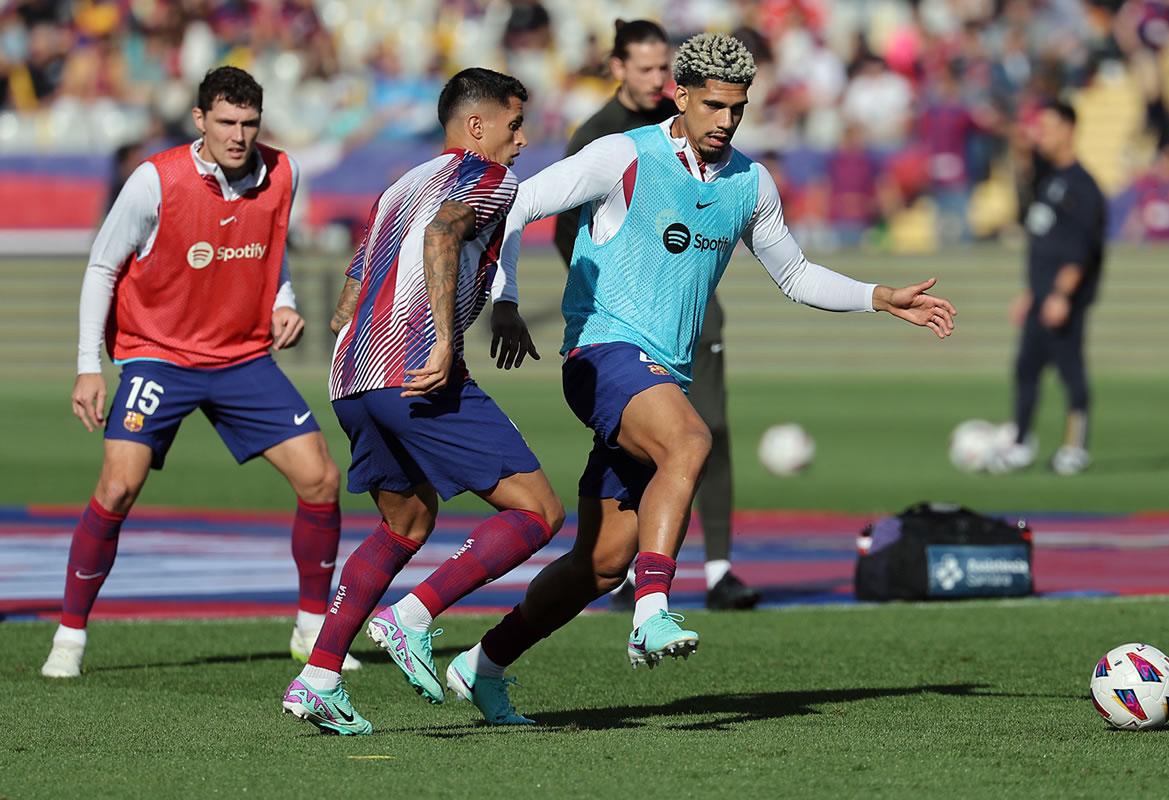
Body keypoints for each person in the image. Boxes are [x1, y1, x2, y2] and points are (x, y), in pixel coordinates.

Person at [444, 33, 957, 725]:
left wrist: (877, 296)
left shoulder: (750, 182)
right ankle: (652, 607)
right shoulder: (622, 156)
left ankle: (482, 664)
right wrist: (503, 301)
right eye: (712, 105)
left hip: (660, 375)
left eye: (737, 109)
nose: (725, 121)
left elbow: (797, 275)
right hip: (600, 355)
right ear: (679, 96)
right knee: (689, 441)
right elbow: (513, 202)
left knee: (596, 564)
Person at [41, 66, 352, 679]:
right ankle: (70, 637)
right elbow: (103, 267)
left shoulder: (281, 173)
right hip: (159, 356)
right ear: (200, 120)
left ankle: (312, 628)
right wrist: (88, 367)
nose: (238, 135)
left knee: (320, 478)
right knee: (118, 488)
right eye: (227, 122)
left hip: (241, 358)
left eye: (249, 123)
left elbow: (271, 246)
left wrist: (282, 298)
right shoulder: (154, 181)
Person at [281, 67, 564, 736]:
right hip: (413, 367)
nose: (523, 139)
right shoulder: (490, 180)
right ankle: (410, 618)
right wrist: (440, 344)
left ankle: (318, 679)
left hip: (350, 375)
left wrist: (369, 327)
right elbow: (443, 237)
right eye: (515, 124)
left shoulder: (400, 184)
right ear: (477, 125)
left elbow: (354, 283)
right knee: (538, 512)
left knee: (403, 526)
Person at [554, 19, 759, 612]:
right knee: (673, 440)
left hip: (695, 316)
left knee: (707, 432)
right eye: (644, 69)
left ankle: (718, 568)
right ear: (618, 68)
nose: (656, 79)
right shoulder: (604, 139)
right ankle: (641, 589)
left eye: (662, 67)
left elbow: (792, 270)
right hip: (617, 326)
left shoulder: (733, 159)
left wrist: (875, 296)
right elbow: (567, 229)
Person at [991, 100, 1105, 476]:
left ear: (1069, 129)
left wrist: (1061, 295)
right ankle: (1021, 443)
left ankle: (1075, 448)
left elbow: (1080, 251)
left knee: (1071, 373)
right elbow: (1041, 236)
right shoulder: (1049, 180)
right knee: (1026, 369)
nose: (1042, 134)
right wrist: (1031, 292)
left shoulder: (1083, 186)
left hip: (1062, 300)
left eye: (1049, 127)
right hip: (1039, 295)